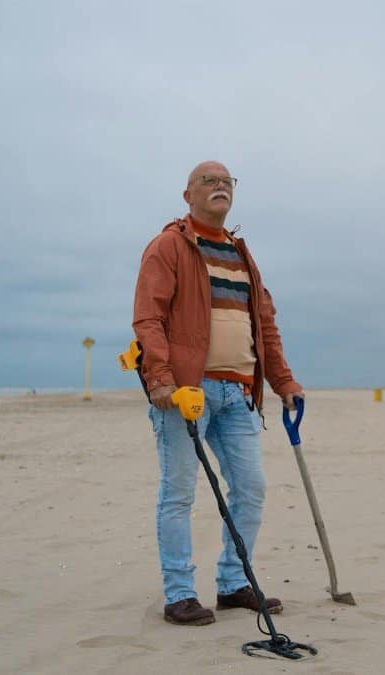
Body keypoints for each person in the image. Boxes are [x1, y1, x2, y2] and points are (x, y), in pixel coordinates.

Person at [132, 161, 305, 626]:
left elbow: (264, 325)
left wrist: (283, 382)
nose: (220, 186)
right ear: (187, 195)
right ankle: (180, 594)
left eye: (227, 181)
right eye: (209, 180)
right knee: (179, 493)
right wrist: (160, 378)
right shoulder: (168, 246)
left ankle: (233, 583)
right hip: (186, 392)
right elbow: (148, 317)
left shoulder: (242, 255)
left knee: (251, 488)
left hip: (238, 392)